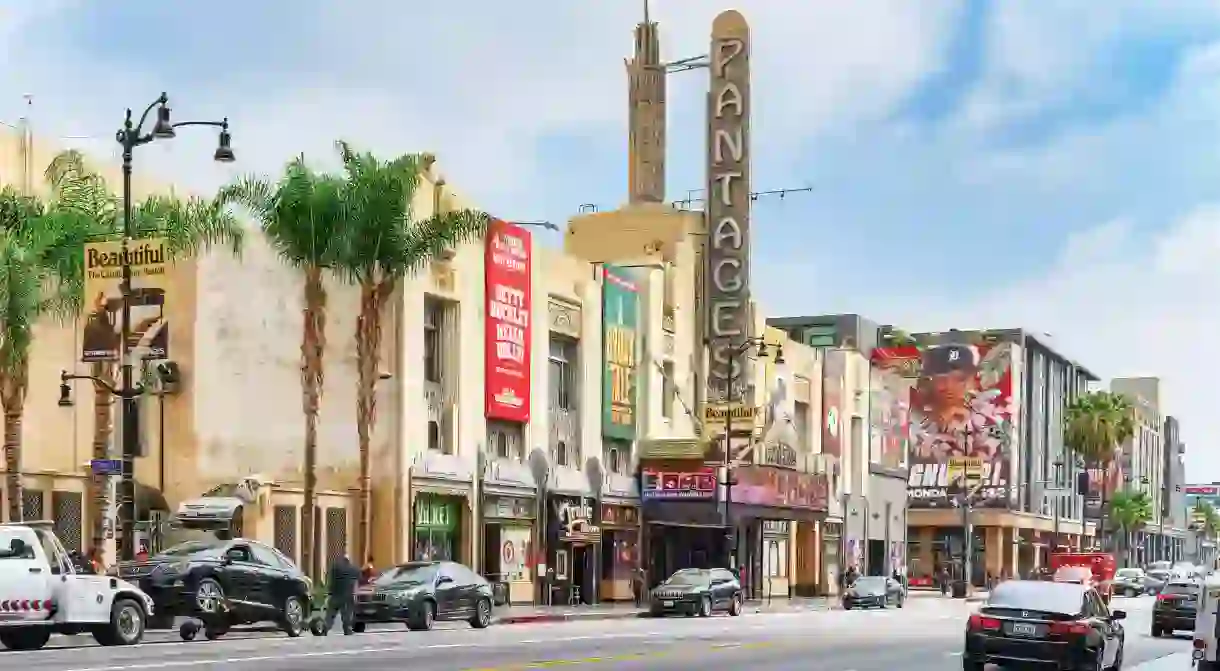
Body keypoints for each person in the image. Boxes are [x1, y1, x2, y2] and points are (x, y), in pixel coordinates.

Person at [321, 553, 361, 635]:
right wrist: (355, 595)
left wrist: (329, 593)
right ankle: (347, 629)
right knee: (347, 614)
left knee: (330, 614)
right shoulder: (354, 569)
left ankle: (326, 627)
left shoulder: (335, 568)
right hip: (347, 596)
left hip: (334, 595)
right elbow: (356, 583)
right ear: (349, 560)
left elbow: (330, 580)